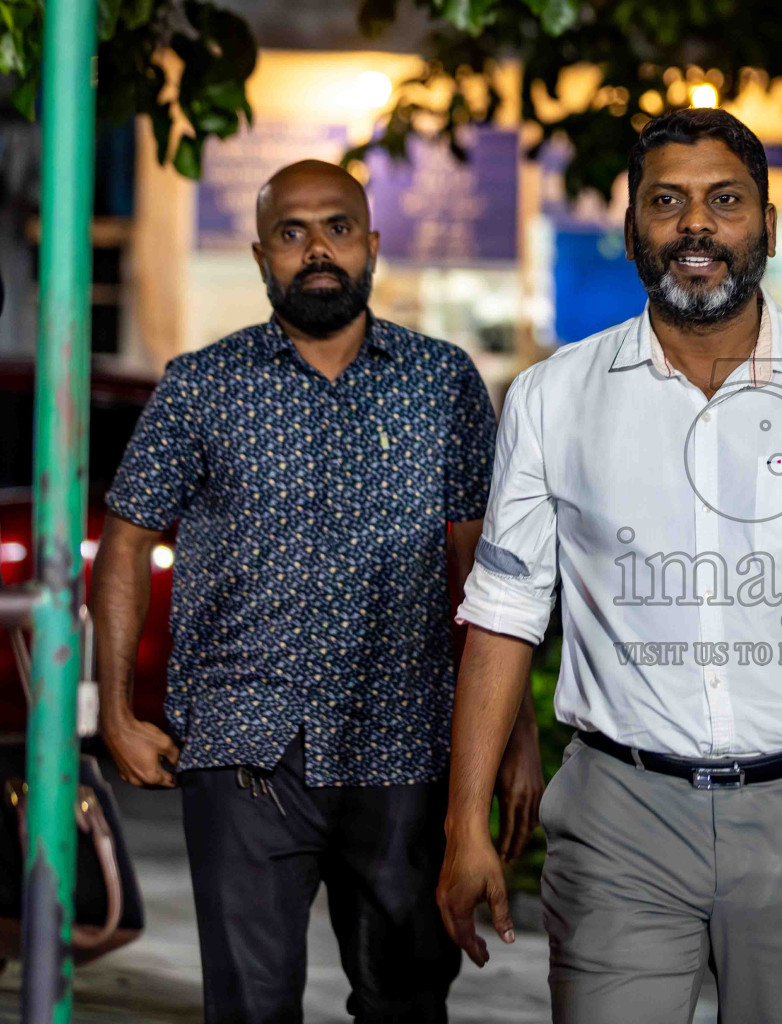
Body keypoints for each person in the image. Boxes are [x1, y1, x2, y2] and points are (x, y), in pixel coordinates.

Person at [436, 108, 782, 1024]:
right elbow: (502, 615)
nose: (697, 226)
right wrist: (464, 826)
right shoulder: (551, 400)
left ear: (766, 225)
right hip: (619, 820)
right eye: (669, 203)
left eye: (725, 202)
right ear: (632, 228)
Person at [91, 160, 540, 1024]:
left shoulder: (442, 383)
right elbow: (126, 540)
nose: (317, 250)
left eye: (337, 227)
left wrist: (514, 732)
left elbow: (491, 571)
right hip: (246, 748)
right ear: (262, 254)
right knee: (251, 1008)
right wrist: (116, 711)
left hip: (405, 746)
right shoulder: (201, 385)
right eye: (292, 233)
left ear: (371, 244)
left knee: (406, 1001)